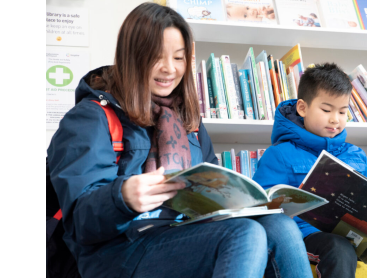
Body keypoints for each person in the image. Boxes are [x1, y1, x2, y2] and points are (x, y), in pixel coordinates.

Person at [46, 3, 311, 277]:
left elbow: (214, 186)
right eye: (156, 56)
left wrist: (241, 201)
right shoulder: (90, 118)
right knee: (243, 234)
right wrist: (122, 197)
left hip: (181, 233)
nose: (169, 69)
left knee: (281, 227)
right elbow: (79, 221)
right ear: (132, 56)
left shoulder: (189, 122)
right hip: (117, 252)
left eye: (179, 58)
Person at [252, 63, 367, 278]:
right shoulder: (279, 154)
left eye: (343, 111)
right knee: (338, 247)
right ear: (302, 108)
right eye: (326, 110)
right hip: (307, 237)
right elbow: (263, 207)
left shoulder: (354, 154)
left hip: (358, 236)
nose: (335, 119)